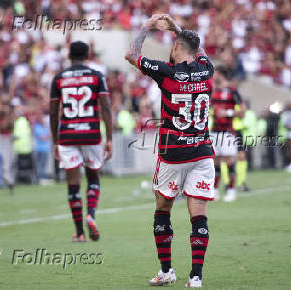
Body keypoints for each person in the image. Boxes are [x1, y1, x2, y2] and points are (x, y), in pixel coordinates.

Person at [125, 14, 214, 288]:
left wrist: (147, 28)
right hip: (201, 153)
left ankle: (166, 271)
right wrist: (177, 29)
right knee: (198, 215)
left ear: (175, 48)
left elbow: (131, 54)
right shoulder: (206, 69)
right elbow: (198, 50)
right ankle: (195, 277)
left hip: (172, 155)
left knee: (162, 210)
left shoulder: (166, 72)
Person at [50, 41, 113, 243]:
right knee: (93, 177)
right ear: (88, 56)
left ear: (69, 56)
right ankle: (91, 214)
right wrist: (109, 138)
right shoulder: (97, 77)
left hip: (67, 136)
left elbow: (53, 113)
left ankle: (79, 232)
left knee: (73, 184)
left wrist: (55, 141)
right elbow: (106, 108)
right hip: (91, 134)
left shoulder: (58, 79)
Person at [212, 66, 245, 201]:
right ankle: (214, 190)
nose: (213, 76)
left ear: (221, 74)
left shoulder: (232, 91)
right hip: (214, 131)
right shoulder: (212, 90)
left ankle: (231, 190)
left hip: (227, 131)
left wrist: (227, 113)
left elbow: (243, 111)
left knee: (229, 160)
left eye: (215, 73)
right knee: (215, 162)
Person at [33, 114, 51, 182]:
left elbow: (50, 135)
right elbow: (42, 137)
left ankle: (42, 177)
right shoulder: (37, 127)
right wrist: (47, 136)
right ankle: (39, 178)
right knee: (39, 165)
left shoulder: (45, 127)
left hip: (45, 149)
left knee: (44, 165)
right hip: (39, 149)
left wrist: (47, 136)